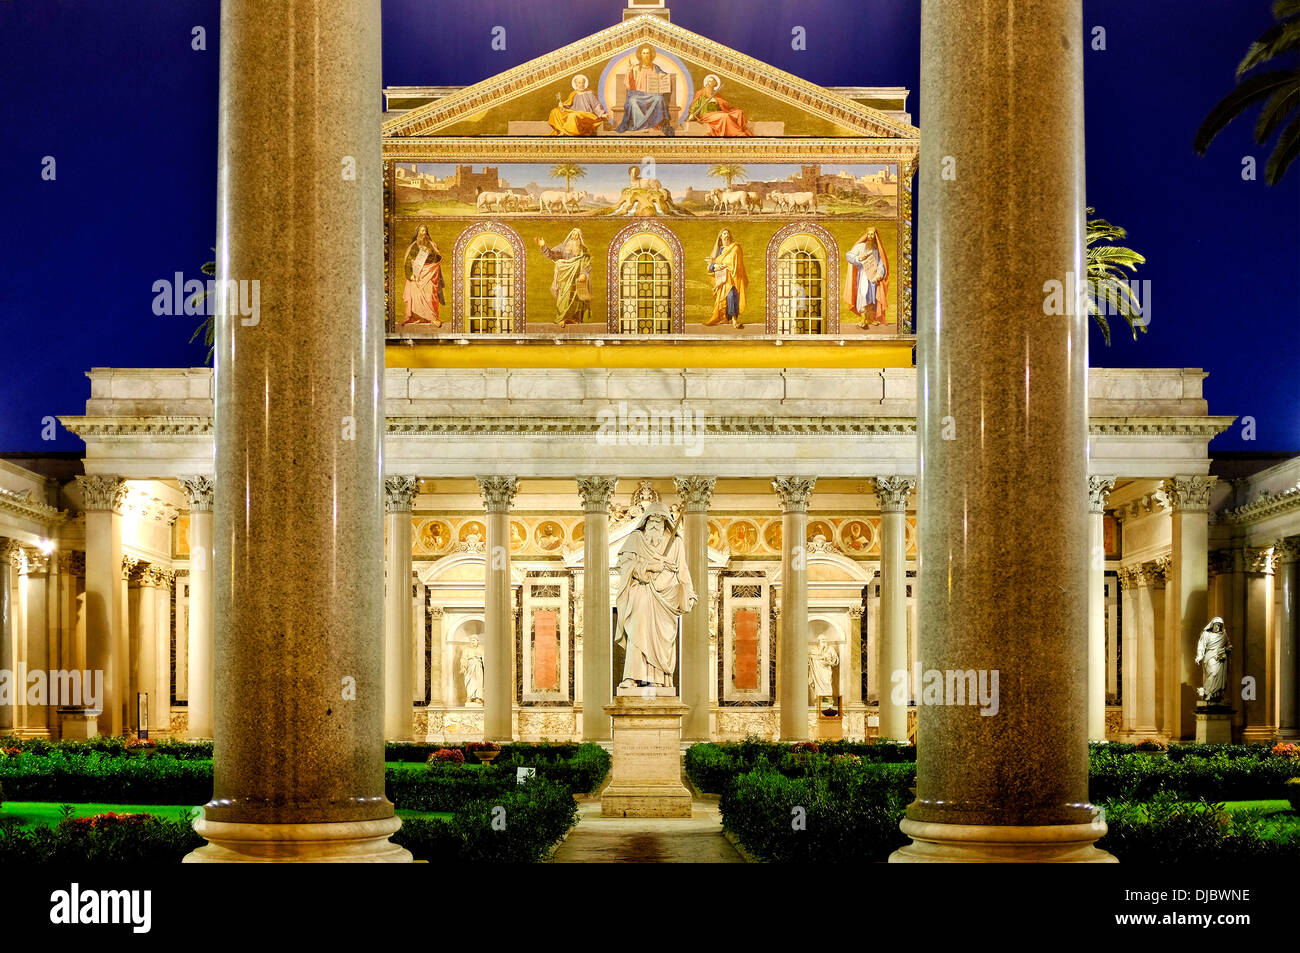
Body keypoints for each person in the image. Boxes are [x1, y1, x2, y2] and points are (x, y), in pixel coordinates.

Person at [615, 502, 696, 689]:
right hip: (641, 592)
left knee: (662, 639)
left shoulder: (675, 543)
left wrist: (689, 593)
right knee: (637, 632)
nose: (655, 524)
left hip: (666, 597)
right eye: (652, 519)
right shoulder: (636, 538)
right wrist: (650, 566)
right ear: (646, 520)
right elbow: (625, 565)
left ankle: (657, 680)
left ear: (666, 522)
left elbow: (683, 571)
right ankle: (632, 677)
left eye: (660, 520)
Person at [535, 228, 592, 326]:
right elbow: (551, 255)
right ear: (570, 236)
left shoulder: (583, 250)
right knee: (564, 298)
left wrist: (584, 274)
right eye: (573, 234)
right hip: (564, 279)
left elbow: (587, 263)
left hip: (577, 279)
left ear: (579, 237)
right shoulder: (562, 247)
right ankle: (562, 318)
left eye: (576, 235)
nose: (574, 237)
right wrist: (543, 246)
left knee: (577, 300)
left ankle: (573, 319)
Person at [616, 44, 675, 136]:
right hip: (638, 94)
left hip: (651, 94)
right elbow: (628, 85)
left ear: (651, 55)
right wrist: (629, 71)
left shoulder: (655, 67)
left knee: (659, 99)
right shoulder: (635, 68)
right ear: (640, 55)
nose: (646, 55)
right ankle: (640, 126)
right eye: (644, 53)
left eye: (648, 53)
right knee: (632, 101)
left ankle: (655, 124)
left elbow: (664, 75)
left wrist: (662, 75)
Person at [844, 227, 890, 327]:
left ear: (875, 236)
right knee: (863, 295)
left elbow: (881, 264)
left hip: (873, 277)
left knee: (872, 297)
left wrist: (879, 274)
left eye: (872, 234)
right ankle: (863, 318)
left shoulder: (877, 250)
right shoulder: (860, 247)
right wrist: (858, 258)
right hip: (863, 276)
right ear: (866, 235)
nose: (870, 236)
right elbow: (848, 255)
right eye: (868, 234)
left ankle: (870, 319)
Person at [681, 74, 752, 137]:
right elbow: (694, 106)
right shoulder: (701, 93)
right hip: (705, 115)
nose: (709, 84)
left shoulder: (716, 95)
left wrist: (717, 101)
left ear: (715, 84)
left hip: (717, 113)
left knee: (738, 112)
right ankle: (737, 133)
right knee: (725, 116)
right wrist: (691, 114)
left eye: (712, 81)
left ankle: (738, 130)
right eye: (708, 81)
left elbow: (724, 106)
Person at [401, 224, 444, 327]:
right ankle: (417, 317)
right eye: (421, 231)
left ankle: (431, 318)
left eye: (424, 231)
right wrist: (410, 275)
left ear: (427, 233)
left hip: (429, 274)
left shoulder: (432, 245)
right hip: (416, 276)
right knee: (416, 297)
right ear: (417, 233)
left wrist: (429, 253)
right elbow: (407, 262)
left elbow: (438, 258)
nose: (422, 233)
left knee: (429, 296)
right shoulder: (414, 246)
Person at [704, 228, 747, 328]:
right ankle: (726, 318)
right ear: (720, 237)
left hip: (733, 277)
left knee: (732, 295)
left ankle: (734, 320)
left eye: (727, 234)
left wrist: (726, 266)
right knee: (723, 299)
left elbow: (738, 263)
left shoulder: (735, 248)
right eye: (724, 234)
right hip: (721, 279)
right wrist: (715, 266)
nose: (726, 235)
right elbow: (710, 267)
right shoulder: (718, 251)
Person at [1195, 617, 1231, 705]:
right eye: (1216, 625)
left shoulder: (1223, 635)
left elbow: (1229, 645)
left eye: (1219, 625)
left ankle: (1215, 696)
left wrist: (1226, 649)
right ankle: (1208, 693)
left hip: (1219, 659)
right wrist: (1199, 656)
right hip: (1209, 657)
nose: (1218, 627)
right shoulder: (1206, 634)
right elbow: (1201, 646)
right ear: (1212, 625)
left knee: (1218, 676)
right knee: (1212, 673)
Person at [808, 635, 839, 699]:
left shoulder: (830, 649)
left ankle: (828, 700)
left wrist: (831, 662)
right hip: (818, 672)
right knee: (818, 687)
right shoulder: (814, 650)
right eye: (822, 640)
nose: (824, 641)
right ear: (818, 641)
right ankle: (819, 699)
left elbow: (835, 659)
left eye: (825, 639)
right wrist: (819, 658)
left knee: (827, 683)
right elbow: (810, 657)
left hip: (826, 671)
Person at [460, 635, 485, 704]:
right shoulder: (466, 649)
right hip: (469, 667)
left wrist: (481, 657)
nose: (472, 642)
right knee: (470, 681)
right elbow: (463, 659)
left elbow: (485, 658)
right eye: (471, 641)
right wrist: (463, 667)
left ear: (477, 641)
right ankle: (470, 697)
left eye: (474, 640)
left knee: (478, 681)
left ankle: (478, 697)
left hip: (478, 666)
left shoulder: (482, 648)